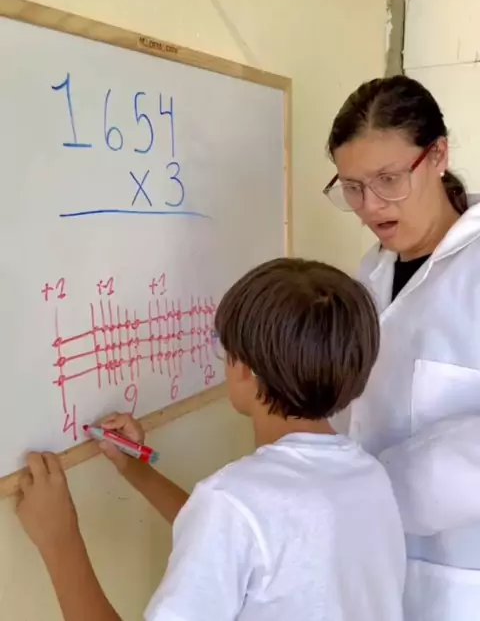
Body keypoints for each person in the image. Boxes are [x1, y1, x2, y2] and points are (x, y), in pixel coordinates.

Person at [16, 257, 406, 621]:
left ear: (244, 369)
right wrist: (135, 469)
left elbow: (235, 524)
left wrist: (59, 541)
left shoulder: (232, 502)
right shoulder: (368, 476)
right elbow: (243, 536)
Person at [324, 74, 480, 621]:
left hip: (460, 580)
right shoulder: (371, 271)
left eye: (388, 179)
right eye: (352, 187)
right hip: (374, 567)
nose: (370, 206)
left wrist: (374, 491)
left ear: (437, 155)